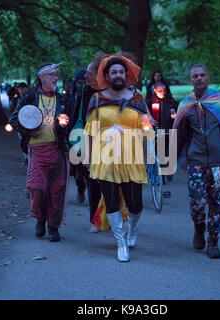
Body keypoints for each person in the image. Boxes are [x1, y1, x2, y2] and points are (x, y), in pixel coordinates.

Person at [83, 54, 149, 262]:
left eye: (121, 71)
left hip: (132, 157)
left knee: (135, 204)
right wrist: (88, 154)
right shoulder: (97, 99)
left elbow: (146, 125)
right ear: (107, 76)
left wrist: (148, 128)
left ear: (126, 74)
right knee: (111, 201)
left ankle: (132, 228)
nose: (118, 75)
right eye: (114, 72)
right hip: (105, 157)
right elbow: (90, 129)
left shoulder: (137, 98)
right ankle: (120, 242)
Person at [173, 64, 220, 259]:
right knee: (197, 202)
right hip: (196, 161)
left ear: (208, 77)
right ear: (191, 80)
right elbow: (180, 136)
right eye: (195, 76)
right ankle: (199, 229)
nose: (199, 78)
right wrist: (171, 161)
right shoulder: (186, 105)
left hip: (218, 162)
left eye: (202, 75)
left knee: (216, 202)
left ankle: (213, 241)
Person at [9, 62, 72, 241]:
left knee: (56, 190)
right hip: (37, 151)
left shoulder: (63, 100)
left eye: (56, 74)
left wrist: (65, 123)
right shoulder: (30, 98)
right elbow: (14, 119)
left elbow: (72, 121)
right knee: (37, 188)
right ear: (42, 77)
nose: (55, 77)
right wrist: (28, 129)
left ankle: (53, 226)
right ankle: (39, 218)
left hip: (57, 150)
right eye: (51, 74)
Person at [70, 58, 103, 232]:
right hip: (86, 137)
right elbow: (78, 114)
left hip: (107, 141)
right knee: (91, 180)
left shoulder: (109, 92)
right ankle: (94, 220)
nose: (87, 76)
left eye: (90, 73)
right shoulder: (85, 90)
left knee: (109, 181)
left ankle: (112, 215)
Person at [145, 81, 178, 181]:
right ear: (155, 90)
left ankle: (168, 169)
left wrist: (174, 115)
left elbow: (176, 115)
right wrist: (149, 121)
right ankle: (156, 172)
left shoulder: (170, 101)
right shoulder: (150, 101)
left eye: (164, 90)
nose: (162, 92)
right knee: (157, 151)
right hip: (155, 130)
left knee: (168, 150)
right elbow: (145, 115)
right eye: (160, 91)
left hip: (168, 129)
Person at [69, 70, 88, 204]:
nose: (81, 85)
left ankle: (89, 191)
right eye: (79, 82)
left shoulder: (89, 96)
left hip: (86, 134)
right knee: (77, 170)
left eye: (83, 82)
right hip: (73, 136)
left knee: (85, 168)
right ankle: (80, 189)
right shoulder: (69, 97)